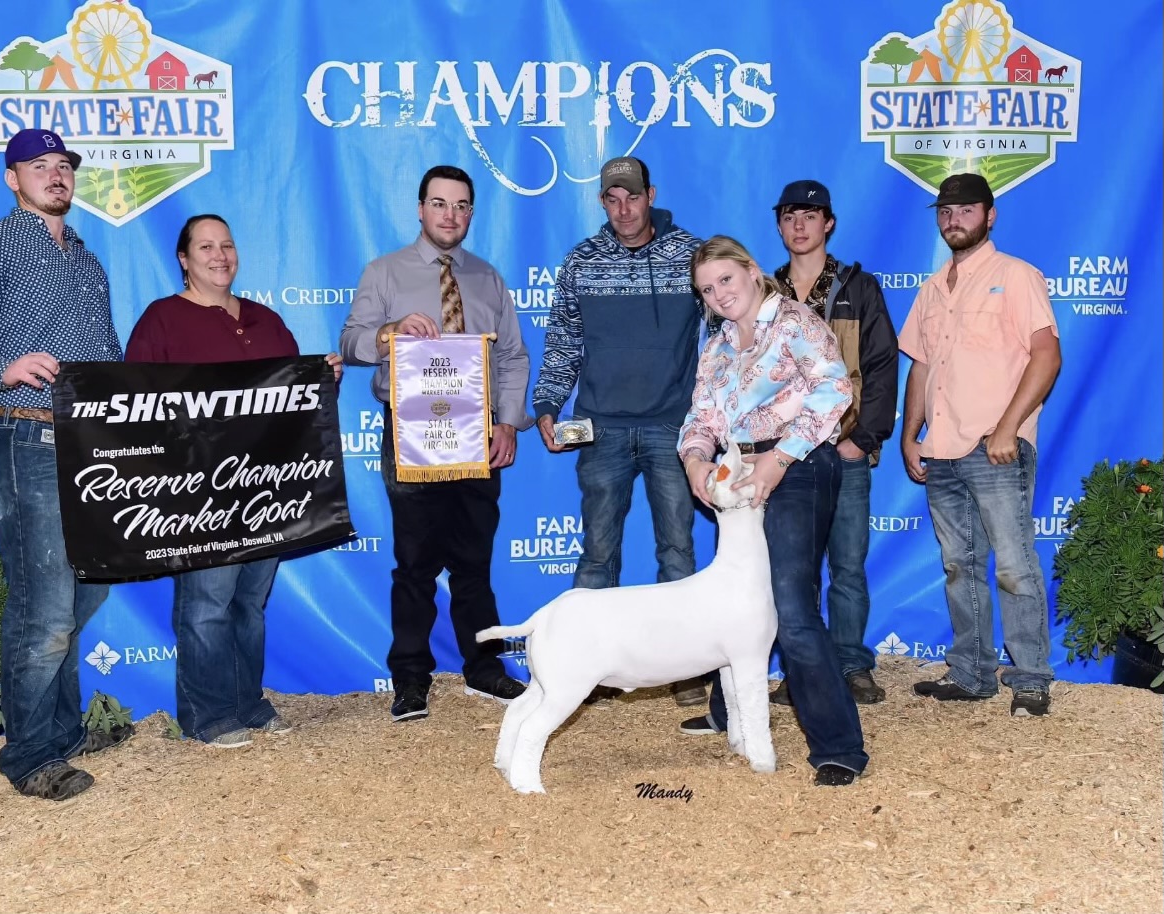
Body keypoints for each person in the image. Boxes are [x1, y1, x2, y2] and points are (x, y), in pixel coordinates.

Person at [0, 129, 131, 800]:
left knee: (83, 593)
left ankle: (62, 731)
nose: (56, 174)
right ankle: (31, 755)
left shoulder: (86, 260)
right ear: (13, 179)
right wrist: (3, 366)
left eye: (64, 164)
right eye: (39, 165)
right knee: (43, 610)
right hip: (29, 436)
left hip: (90, 441)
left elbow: (106, 350)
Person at [125, 214, 343, 747]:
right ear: (183, 259)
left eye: (226, 245)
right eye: (205, 247)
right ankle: (208, 714)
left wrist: (324, 380)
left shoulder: (267, 321)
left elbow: (295, 405)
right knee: (207, 603)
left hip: (265, 485)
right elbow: (135, 403)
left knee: (249, 603)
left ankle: (249, 703)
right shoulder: (162, 320)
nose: (219, 255)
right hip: (198, 490)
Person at [339, 165, 531, 722]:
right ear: (421, 209)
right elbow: (350, 343)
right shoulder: (384, 272)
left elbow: (512, 356)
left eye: (462, 205)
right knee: (415, 563)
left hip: (477, 432)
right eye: (441, 204)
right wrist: (390, 331)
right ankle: (410, 678)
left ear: (471, 213)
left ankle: (484, 668)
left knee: (474, 560)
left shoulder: (488, 278)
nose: (451, 215)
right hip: (411, 432)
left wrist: (506, 423)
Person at [675, 235, 868, 787]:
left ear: (752, 270)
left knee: (791, 606)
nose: (719, 294)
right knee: (737, 600)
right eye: (707, 289)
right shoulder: (716, 346)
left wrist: (779, 460)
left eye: (725, 280)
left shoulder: (796, 323)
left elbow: (834, 392)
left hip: (799, 465)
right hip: (738, 473)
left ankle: (839, 747)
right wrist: (694, 460)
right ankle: (729, 711)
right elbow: (701, 416)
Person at [532, 156, 709, 707]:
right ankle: (580, 672)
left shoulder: (691, 256)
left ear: (650, 195)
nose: (624, 209)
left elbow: (727, 330)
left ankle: (685, 670)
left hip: (671, 426)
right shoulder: (581, 261)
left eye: (633, 197)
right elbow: (563, 340)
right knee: (597, 553)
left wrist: (715, 410)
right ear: (602, 202)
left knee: (677, 552)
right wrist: (547, 402)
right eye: (613, 199)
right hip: (600, 427)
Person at [899, 173, 1061, 718]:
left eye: (966, 210)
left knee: (1013, 564)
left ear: (989, 216)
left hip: (996, 448)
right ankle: (971, 672)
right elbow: (922, 366)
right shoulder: (931, 289)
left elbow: (1047, 355)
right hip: (942, 448)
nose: (954, 219)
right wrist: (911, 434)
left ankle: (1031, 678)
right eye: (945, 212)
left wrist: (1008, 428)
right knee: (959, 566)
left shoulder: (1016, 276)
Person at [769, 180, 899, 705]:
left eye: (809, 215)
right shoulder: (764, 291)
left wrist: (863, 439)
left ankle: (850, 663)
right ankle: (802, 669)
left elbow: (882, 365)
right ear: (780, 226)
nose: (799, 225)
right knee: (793, 570)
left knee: (847, 565)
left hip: (843, 449)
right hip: (785, 456)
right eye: (789, 216)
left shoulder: (859, 288)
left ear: (829, 223)